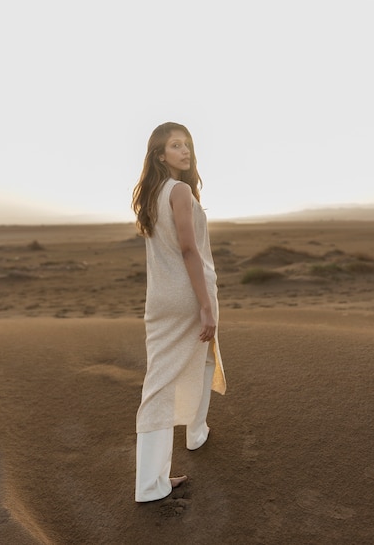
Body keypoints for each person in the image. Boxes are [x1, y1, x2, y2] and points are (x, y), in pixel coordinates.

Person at [131, 122, 226, 503]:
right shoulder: (180, 191)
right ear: (160, 154)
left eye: (186, 144)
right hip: (188, 294)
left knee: (202, 356)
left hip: (161, 297)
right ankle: (150, 484)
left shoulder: (152, 194)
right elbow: (189, 250)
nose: (185, 151)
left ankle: (196, 430)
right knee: (161, 382)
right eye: (175, 145)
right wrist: (205, 305)